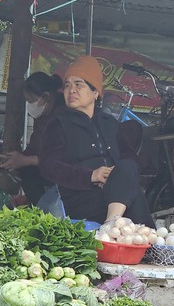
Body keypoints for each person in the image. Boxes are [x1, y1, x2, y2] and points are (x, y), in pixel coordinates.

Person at [38, 55, 155, 227]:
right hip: (80, 197)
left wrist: (115, 176)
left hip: (115, 192)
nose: (71, 90)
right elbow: (48, 166)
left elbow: (131, 158)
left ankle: (112, 223)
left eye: (78, 84)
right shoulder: (58, 123)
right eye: (67, 85)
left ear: (95, 92)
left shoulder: (110, 123)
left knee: (128, 167)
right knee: (135, 197)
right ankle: (141, 236)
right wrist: (91, 176)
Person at [0, 72, 65, 205]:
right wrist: (11, 162)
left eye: (31, 101)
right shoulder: (42, 116)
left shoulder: (62, 116)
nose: (30, 105)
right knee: (23, 170)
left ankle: (43, 207)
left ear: (46, 96)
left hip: (62, 173)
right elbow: (35, 145)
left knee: (28, 171)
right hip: (44, 166)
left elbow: (59, 157)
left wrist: (25, 160)